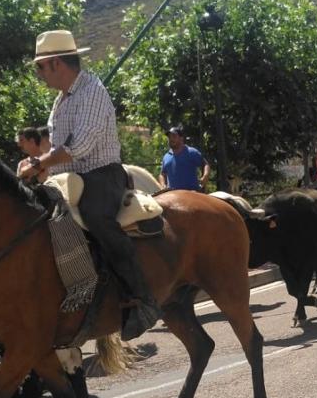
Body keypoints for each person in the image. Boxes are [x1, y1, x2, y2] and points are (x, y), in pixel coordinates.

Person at [16, 30, 160, 340]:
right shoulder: (61, 100)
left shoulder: (93, 91)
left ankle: (142, 298)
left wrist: (38, 164)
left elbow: (78, 147)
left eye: (40, 67)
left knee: (96, 217)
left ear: (56, 63)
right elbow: (59, 150)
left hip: (102, 175)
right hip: (69, 179)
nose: (39, 73)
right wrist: (40, 167)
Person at [158, 125, 208, 191]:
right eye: (169, 137)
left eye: (174, 136)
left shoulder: (192, 152)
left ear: (181, 138)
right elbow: (162, 174)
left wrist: (205, 176)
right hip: (172, 194)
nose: (171, 139)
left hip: (192, 193)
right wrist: (163, 185)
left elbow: (205, 164)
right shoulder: (166, 157)